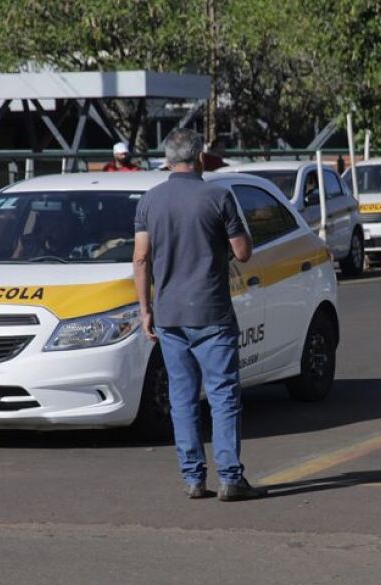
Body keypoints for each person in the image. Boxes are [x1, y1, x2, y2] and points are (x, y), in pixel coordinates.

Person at [132, 128, 267, 502]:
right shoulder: (218, 196)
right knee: (223, 395)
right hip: (212, 312)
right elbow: (242, 253)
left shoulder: (150, 201)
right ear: (200, 158)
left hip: (169, 314)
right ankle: (230, 478)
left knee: (182, 397)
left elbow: (141, 259)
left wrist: (145, 310)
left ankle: (193, 478)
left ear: (167, 160)